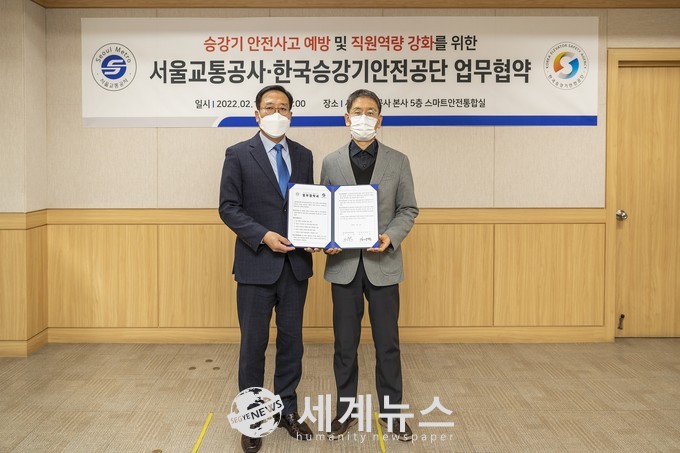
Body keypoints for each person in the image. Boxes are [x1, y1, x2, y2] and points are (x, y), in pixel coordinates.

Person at [219, 85, 314, 453]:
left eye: (283, 107)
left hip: (295, 266)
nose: (277, 113)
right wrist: (263, 236)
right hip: (255, 264)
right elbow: (228, 207)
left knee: (292, 343)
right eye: (270, 107)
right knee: (253, 345)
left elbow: (309, 206)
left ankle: (288, 410)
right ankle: (252, 417)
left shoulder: (303, 155)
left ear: (291, 114)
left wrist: (316, 234)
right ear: (256, 114)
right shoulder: (238, 154)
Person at [320, 89, 419, 441]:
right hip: (344, 266)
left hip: (383, 264)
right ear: (347, 118)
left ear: (380, 119)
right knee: (345, 345)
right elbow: (324, 210)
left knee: (387, 344)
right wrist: (327, 239)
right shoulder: (331, 162)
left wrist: (391, 236)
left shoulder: (398, 161)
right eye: (358, 111)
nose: (364, 117)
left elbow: (408, 209)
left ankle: (392, 414)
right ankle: (345, 412)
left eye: (371, 111)